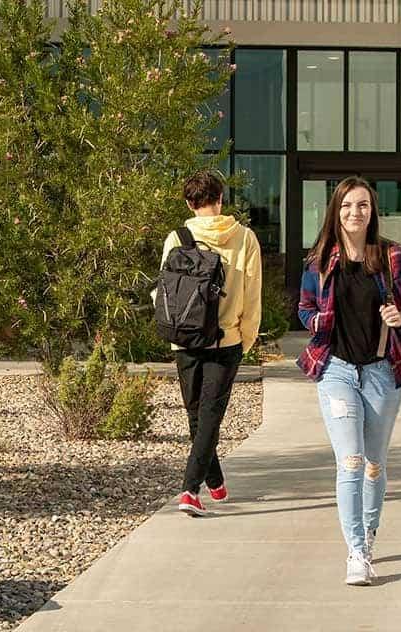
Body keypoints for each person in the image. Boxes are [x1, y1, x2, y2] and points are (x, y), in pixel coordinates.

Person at [296, 176, 401, 585]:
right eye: (346, 206)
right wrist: (316, 320)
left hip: (381, 371)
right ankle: (356, 553)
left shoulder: (394, 257)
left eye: (362, 205)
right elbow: (304, 308)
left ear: (372, 210)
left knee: (374, 464)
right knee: (351, 461)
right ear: (335, 211)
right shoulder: (320, 261)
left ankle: (369, 535)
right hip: (336, 369)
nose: (354, 213)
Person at [159, 170, 262, 517]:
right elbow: (252, 296)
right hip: (225, 340)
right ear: (221, 199)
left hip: (184, 339)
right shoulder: (245, 238)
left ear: (189, 203)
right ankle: (200, 485)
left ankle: (195, 486)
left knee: (197, 415)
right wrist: (244, 339)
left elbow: (165, 292)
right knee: (209, 416)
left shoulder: (177, 237)